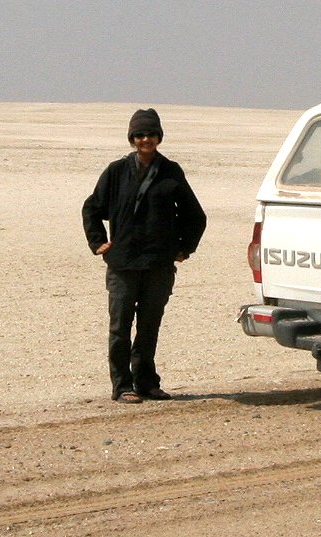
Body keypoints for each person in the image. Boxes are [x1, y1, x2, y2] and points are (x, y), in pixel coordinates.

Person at [81, 108, 207, 402]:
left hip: (158, 265)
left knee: (149, 326)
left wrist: (183, 248)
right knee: (120, 327)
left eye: (150, 134)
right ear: (132, 138)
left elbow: (195, 216)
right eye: (139, 135)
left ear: (159, 137)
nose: (145, 139)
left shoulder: (171, 171)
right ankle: (122, 385)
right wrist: (98, 242)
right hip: (123, 264)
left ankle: (147, 383)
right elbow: (92, 208)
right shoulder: (115, 172)